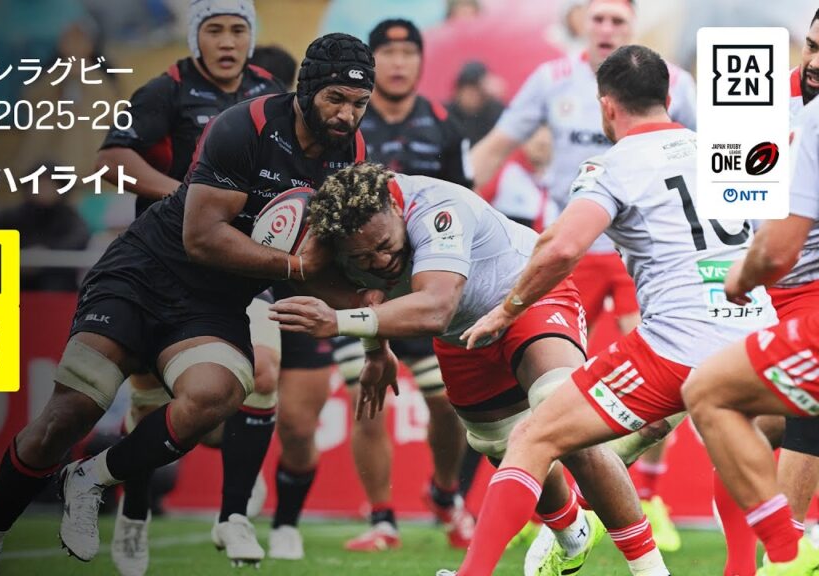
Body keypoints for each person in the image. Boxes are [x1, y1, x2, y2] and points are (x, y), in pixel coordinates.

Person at [0, 31, 373, 575]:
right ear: (308, 89)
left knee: (217, 393)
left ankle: (90, 478)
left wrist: (376, 334)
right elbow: (202, 238)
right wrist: (295, 268)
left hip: (214, 301)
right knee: (71, 412)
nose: (346, 115)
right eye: (336, 98)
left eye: (359, 104)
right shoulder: (243, 125)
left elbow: (340, 258)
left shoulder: (352, 155)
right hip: (143, 274)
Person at [440, 44, 775, 576]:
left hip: (676, 346)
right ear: (669, 98)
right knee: (737, 442)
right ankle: (741, 567)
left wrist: (507, 309)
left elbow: (563, 248)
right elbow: (773, 242)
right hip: (756, 336)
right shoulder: (725, 147)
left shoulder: (611, 166)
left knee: (532, 437)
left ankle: (474, 573)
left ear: (606, 106)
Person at [270, 163, 674, 576]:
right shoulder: (338, 235)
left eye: (385, 245)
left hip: (525, 297)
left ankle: (650, 570)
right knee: (501, 443)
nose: (381, 260)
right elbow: (360, 293)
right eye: (363, 257)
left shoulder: (435, 207)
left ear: (395, 207)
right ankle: (571, 530)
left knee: (561, 415)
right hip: (464, 334)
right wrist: (375, 351)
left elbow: (435, 309)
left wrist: (337, 322)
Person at [468, 0, 697, 550]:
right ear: (581, 23)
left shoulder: (674, 81)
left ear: (633, 26)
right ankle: (550, 501)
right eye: (599, 18)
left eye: (618, 20)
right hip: (569, 248)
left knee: (665, 363)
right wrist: (450, 207)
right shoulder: (551, 79)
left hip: (638, 252)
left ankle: (647, 497)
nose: (608, 28)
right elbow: (498, 144)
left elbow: (728, 157)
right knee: (543, 374)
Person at [92, 2, 287, 574]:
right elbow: (111, 159)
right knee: (152, 399)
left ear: (251, 36)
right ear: (195, 36)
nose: (227, 41)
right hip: (166, 265)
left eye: (238, 30)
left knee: (264, 372)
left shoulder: (270, 92)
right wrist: (185, 196)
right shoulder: (166, 90)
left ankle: (234, 513)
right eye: (214, 29)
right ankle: (135, 512)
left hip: (242, 263)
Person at [334, 18, 472, 553]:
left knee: (448, 404)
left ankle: (445, 493)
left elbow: (464, 204)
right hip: (359, 289)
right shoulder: (346, 124)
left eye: (408, 53)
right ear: (371, 65)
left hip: (424, 290)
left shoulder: (445, 123)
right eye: (387, 54)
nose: (398, 63)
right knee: (366, 399)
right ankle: (382, 519)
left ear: (419, 61)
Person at [682, 93, 819, 576]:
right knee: (747, 419)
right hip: (763, 291)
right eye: (811, 52)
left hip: (798, 290)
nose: (815, 61)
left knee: (722, 398)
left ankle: (785, 555)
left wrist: (742, 275)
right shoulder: (757, 105)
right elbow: (733, 206)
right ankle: (749, 562)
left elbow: (776, 245)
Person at [0, 162, 90, 292]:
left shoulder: (69, 218)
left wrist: (45, 253)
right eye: (38, 184)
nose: (43, 190)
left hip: (56, 289)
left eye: (49, 185)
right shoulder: (9, 217)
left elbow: (78, 240)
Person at [445, 61, 504, 151]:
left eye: (478, 90)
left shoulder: (495, 112)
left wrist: (499, 97)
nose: (474, 95)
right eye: (469, 90)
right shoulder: (445, 114)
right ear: (458, 91)